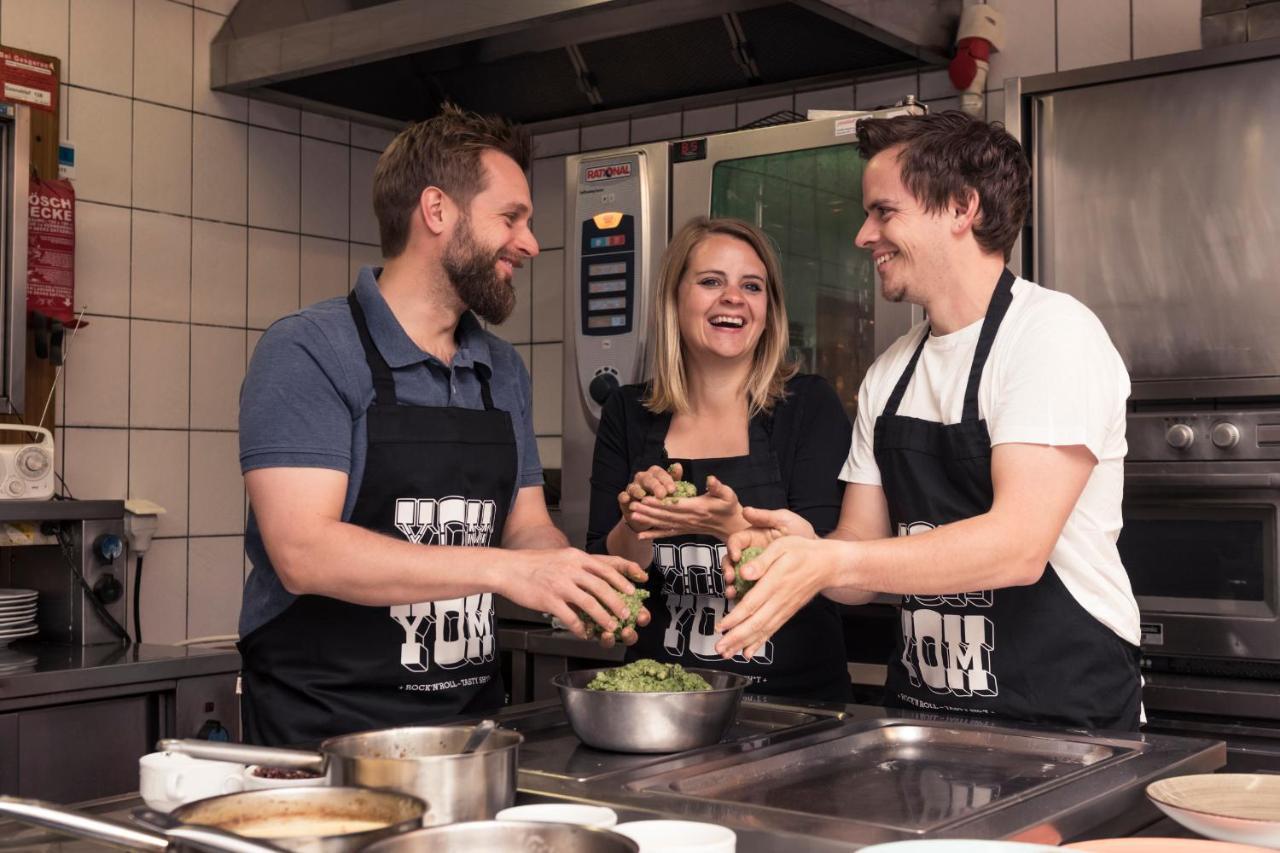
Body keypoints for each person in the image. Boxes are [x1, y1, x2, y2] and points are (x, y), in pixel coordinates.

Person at [717, 112, 1143, 730]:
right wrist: (801, 553)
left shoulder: (1051, 336)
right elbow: (859, 562)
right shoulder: (889, 374)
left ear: (961, 207)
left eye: (884, 212)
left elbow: (1018, 547)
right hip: (923, 718)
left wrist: (834, 564)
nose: (865, 236)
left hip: (1061, 718)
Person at [237, 104, 647, 746]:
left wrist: (568, 576)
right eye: (510, 218)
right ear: (436, 211)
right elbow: (303, 553)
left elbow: (527, 525)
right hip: (324, 737)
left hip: (468, 733)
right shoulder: (309, 349)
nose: (531, 243)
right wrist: (505, 573)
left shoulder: (501, 368)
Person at [586, 217, 854, 701]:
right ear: (675, 300)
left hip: (795, 709)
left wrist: (734, 529)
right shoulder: (628, 413)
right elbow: (605, 580)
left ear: (768, 311)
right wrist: (636, 524)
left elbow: (832, 573)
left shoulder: (809, 407)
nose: (733, 297)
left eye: (751, 286)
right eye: (711, 281)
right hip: (659, 707)